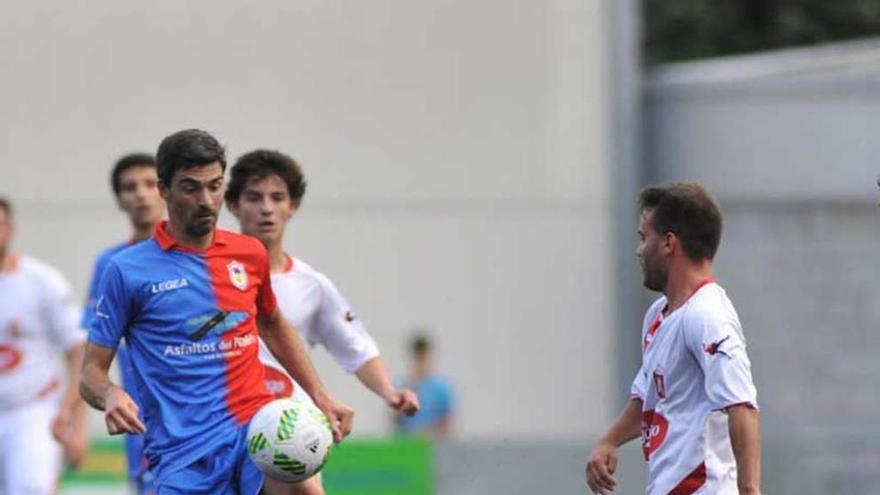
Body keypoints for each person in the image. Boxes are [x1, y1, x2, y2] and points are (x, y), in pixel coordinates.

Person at [80, 129, 354, 494]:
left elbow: (271, 321)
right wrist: (110, 394)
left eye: (215, 186)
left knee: (304, 487)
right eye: (191, 187)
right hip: (183, 453)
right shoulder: (126, 270)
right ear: (165, 190)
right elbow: (91, 373)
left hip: (254, 429)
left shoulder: (247, 253)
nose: (207, 200)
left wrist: (320, 395)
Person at [225, 148, 420, 495]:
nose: (266, 208)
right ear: (233, 205)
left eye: (277, 197)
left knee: (306, 488)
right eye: (254, 198)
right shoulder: (212, 277)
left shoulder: (311, 285)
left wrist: (389, 392)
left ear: (293, 206)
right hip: (223, 422)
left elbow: (356, 348)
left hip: (285, 424)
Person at [585, 182, 761, 495]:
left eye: (643, 237)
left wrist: (749, 490)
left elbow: (741, 405)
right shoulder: (658, 316)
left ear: (668, 243)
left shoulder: (707, 315)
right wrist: (609, 441)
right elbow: (648, 396)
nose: (639, 250)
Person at [81, 152, 165, 494]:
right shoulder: (111, 264)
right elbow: (90, 349)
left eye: (149, 184)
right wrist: (75, 416)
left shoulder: (197, 254)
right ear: (119, 201)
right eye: (130, 188)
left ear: (166, 190)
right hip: (141, 414)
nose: (142, 194)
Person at [0, 197, 89, 493]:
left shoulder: (42, 281)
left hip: (31, 412)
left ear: (11, 229)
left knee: (31, 487)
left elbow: (79, 353)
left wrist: (75, 421)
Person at [394, 333, 455, 439]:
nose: (421, 362)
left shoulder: (441, 388)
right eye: (418, 357)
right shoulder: (403, 386)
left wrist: (428, 433)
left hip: (433, 443)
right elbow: (394, 421)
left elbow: (447, 423)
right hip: (407, 443)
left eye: (423, 357)